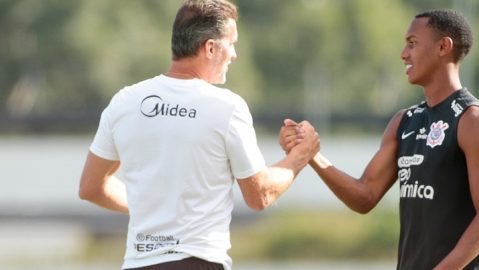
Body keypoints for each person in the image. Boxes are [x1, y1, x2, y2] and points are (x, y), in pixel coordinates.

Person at [78, 1, 319, 270]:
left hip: (137, 264)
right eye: (232, 43)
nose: (235, 54)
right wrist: (300, 156)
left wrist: (153, 207)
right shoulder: (227, 107)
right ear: (211, 47)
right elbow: (259, 195)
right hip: (198, 262)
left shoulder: (124, 101)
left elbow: (91, 187)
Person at [280, 9, 479, 270]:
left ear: (444, 46)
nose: (404, 53)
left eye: (413, 43)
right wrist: (311, 155)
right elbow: (365, 196)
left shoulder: (472, 119)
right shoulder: (403, 121)